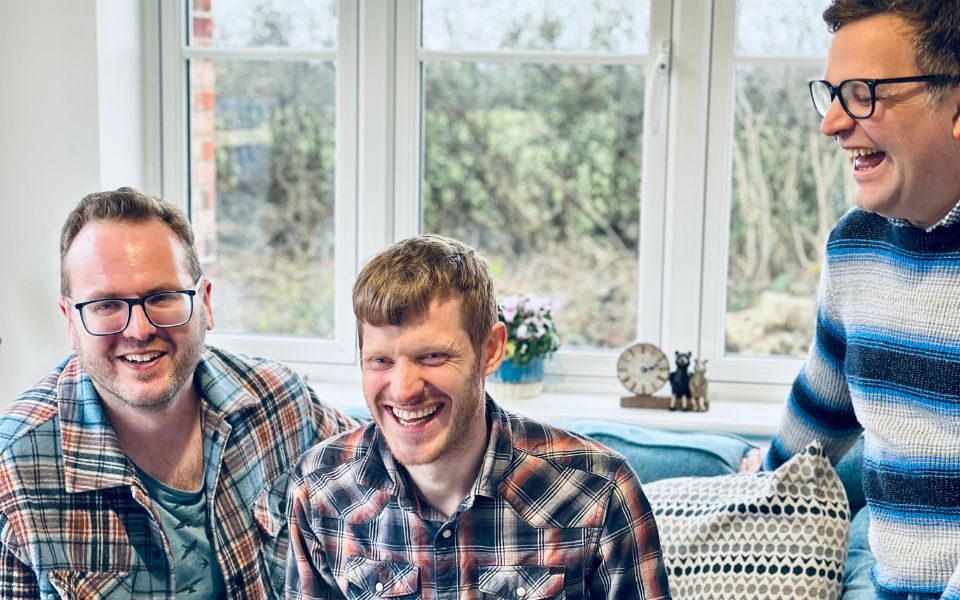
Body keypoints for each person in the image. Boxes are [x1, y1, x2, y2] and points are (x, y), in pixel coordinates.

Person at [0, 188, 356, 598]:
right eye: (106, 305)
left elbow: (389, 466)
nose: (138, 330)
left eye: (163, 297)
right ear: (70, 323)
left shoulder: (280, 401)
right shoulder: (15, 473)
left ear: (205, 302)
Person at [286, 235, 671, 599]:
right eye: (380, 361)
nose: (403, 389)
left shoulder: (600, 490)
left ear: (490, 350)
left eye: (432, 356)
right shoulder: (320, 489)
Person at [762, 1, 960, 598]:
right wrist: (760, 483)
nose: (833, 124)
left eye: (864, 93)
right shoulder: (857, 245)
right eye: (832, 94)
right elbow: (823, 409)